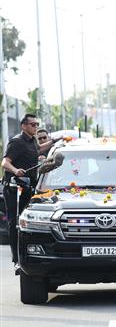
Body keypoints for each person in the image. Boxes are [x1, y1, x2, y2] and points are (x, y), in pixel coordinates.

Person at [2, 114, 57, 268]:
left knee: (28, 223)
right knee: (15, 223)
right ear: (24, 126)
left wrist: (56, 141)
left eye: (36, 124)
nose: (35, 127)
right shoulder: (16, 142)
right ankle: (16, 260)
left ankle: (29, 255)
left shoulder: (33, 140)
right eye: (33, 124)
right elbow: (5, 162)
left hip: (29, 187)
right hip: (14, 188)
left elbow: (40, 149)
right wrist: (15, 170)